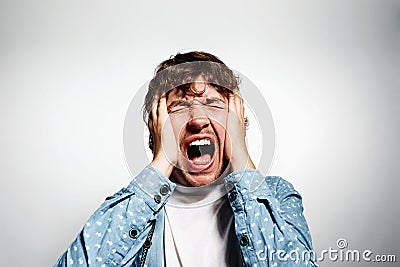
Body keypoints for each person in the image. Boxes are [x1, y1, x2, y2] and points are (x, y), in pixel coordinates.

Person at [55, 51, 317, 266]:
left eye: (214, 105)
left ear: (236, 122)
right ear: (158, 127)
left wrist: (239, 152)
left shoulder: (278, 196)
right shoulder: (132, 211)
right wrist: (160, 163)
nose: (199, 120)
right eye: (179, 107)